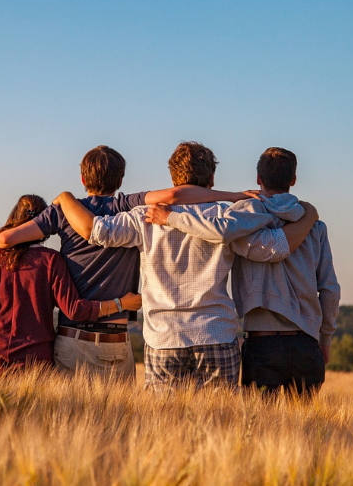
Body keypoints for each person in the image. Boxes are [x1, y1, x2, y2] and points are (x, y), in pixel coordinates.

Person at [54, 142, 318, 391]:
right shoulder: (227, 217)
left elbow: (97, 232)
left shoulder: (144, 217)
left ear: (173, 180)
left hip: (164, 338)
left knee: (164, 427)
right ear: (211, 180)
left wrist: (65, 198)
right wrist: (308, 217)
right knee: (221, 425)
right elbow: (272, 249)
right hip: (216, 333)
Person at [0, 145, 257, 380]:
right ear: (120, 179)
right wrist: (233, 196)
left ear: (83, 178)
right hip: (116, 340)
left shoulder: (63, 211)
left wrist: (60, 204)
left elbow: (2, 241)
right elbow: (176, 197)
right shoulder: (128, 206)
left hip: (72, 338)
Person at [147, 147, 340, 396]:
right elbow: (330, 289)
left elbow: (218, 231)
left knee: (259, 429)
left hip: (262, 343)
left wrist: (171, 218)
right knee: (304, 431)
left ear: (258, 178)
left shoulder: (241, 218)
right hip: (306, 343)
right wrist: (325, 338)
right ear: (293, 180)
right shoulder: (315, 226)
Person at [0, 194, 141, 374]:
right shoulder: (51, 260)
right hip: (34, 365)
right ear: (44, 224)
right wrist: (121, 304)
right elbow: (75, 310)